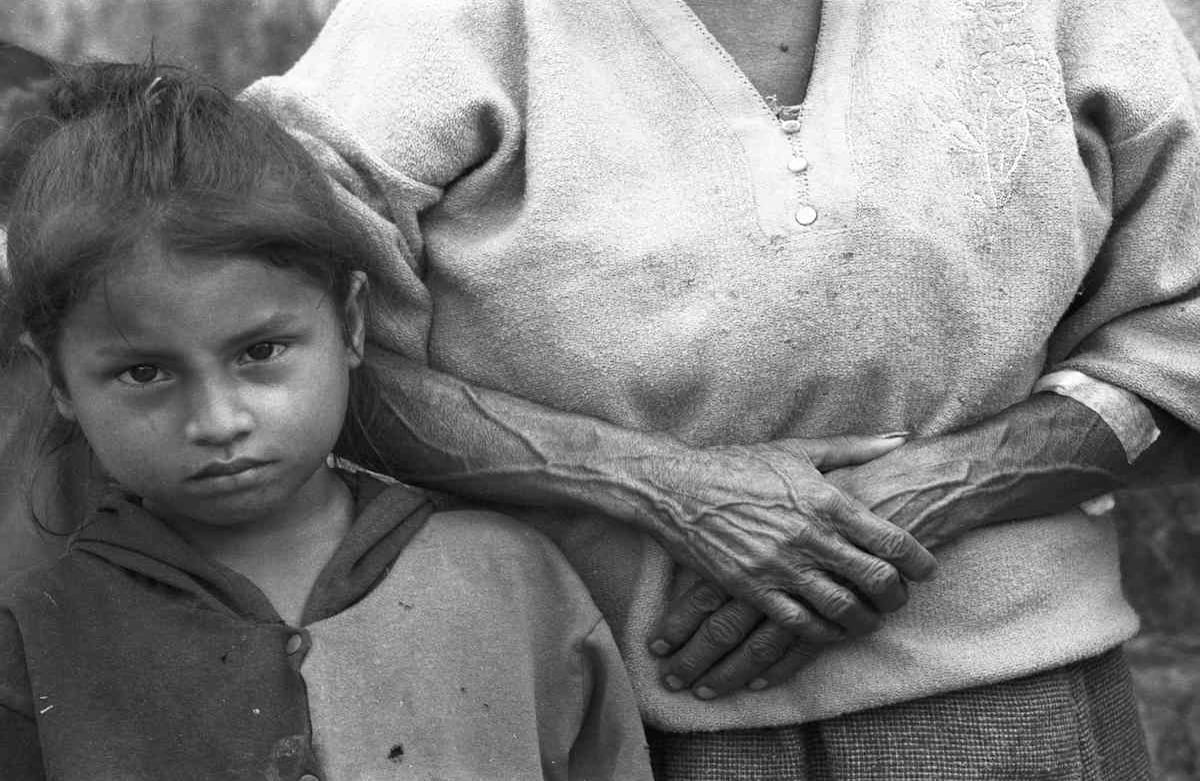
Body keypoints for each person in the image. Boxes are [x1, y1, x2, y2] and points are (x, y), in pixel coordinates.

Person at [234, 0, 1200, 777]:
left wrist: (934, 488)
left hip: (1014, 700)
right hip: (592, 704)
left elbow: (1181, 333)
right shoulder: (434, 32)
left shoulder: (1074, 17)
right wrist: (653, 483)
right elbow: (272, 337)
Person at [0, 62, 653, 780]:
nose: (217, 420)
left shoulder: (513, 583)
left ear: (349, 322)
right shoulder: (36, 640)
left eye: (260, 351)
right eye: (145, 372)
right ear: (58, 376)